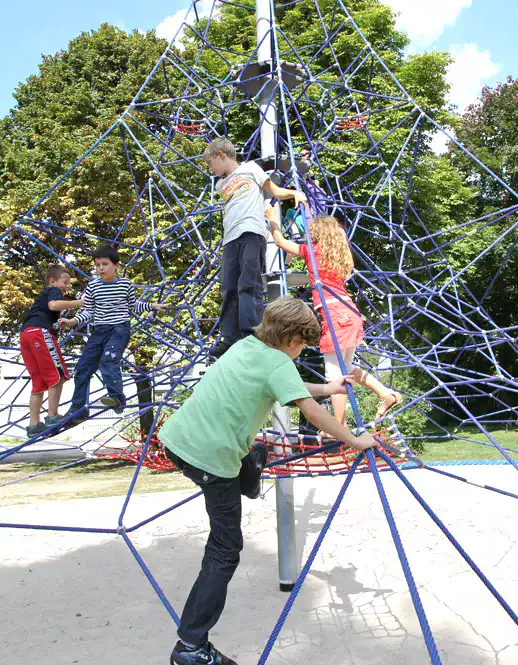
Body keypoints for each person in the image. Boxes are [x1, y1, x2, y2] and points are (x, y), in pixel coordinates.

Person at [159, 296, 378, 665]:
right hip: (211, 459)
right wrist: (355, 440)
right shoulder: (279, 362)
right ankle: (191, 646)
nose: (301, 351)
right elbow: (309, 412)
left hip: (178, 440)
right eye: (303, 345)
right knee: (226, 549)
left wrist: (329, 388)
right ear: (293, 340)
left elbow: (289, 386)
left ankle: (251, 470)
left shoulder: (248, 346)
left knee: (251, 452)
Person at [267, 207, 403, 430]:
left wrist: (274, 221)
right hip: (350, 313)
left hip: (335, 316)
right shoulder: (338, 254)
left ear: (318, 235)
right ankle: (386, 393)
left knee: (334, 376)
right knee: (347, 369)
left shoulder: (313, 252)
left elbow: (281, 242)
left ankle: (338, 427)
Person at [201, 137, 307, 359]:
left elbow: (275, 191)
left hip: (251, 233)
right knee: (229, 288)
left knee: (248, 284)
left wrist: (294, 193)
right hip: (230, 239)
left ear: (220, 155)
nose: (210, 169)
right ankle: (230, 338)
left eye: (210, 163)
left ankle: (251, 333)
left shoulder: (251, 168)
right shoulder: (221, 183)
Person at [59, 245, 168, 423]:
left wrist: (153, 306)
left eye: (105, 264)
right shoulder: (93, 286)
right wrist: (72, 322)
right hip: (99, 331)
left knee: (108, 360)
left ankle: (117, 399)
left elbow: (133, 305)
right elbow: (89, 312)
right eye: (97, 265)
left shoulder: (125, 284)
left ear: (116, 265)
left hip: (119, 329)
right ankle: (78, 409)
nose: (100, 268)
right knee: (82, 368)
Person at [19, 264, 83, 437]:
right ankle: (52, 416)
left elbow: (46, 311)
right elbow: (54, 305)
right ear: (53, 281)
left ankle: (33, 425)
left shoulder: (41, 299)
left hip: (26, 335)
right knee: (58, 375)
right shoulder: (53, 291)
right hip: (40, 333)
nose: (67, 286)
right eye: (65, 282)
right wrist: (79, 303)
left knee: (38, 383)